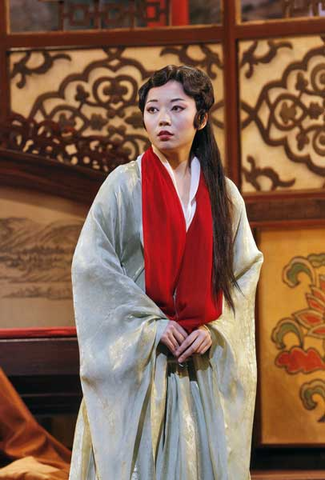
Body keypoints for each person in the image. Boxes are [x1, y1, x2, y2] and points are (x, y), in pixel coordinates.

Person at [69, 65, 263, 480]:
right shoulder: (122, 186)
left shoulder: (223, 194)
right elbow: (93, 268)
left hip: (200, 358)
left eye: (177, 108)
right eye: (153, 109)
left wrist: (217, 329)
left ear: (202, 118)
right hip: (142, 361)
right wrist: (149, 327)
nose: (163, 119)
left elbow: (244, 273)